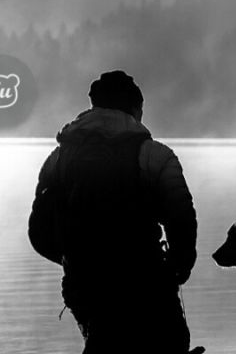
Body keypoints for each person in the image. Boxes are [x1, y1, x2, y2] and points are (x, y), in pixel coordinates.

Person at [28, 70, 199, 354]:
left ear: (94, 105)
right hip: (146, 284)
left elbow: (38, 232)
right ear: (135, 108)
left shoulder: (58, 159)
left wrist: (72, 260)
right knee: (170, 345)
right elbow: (182, 217)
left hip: (83, 286)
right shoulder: (155, 155)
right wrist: (180, 265)